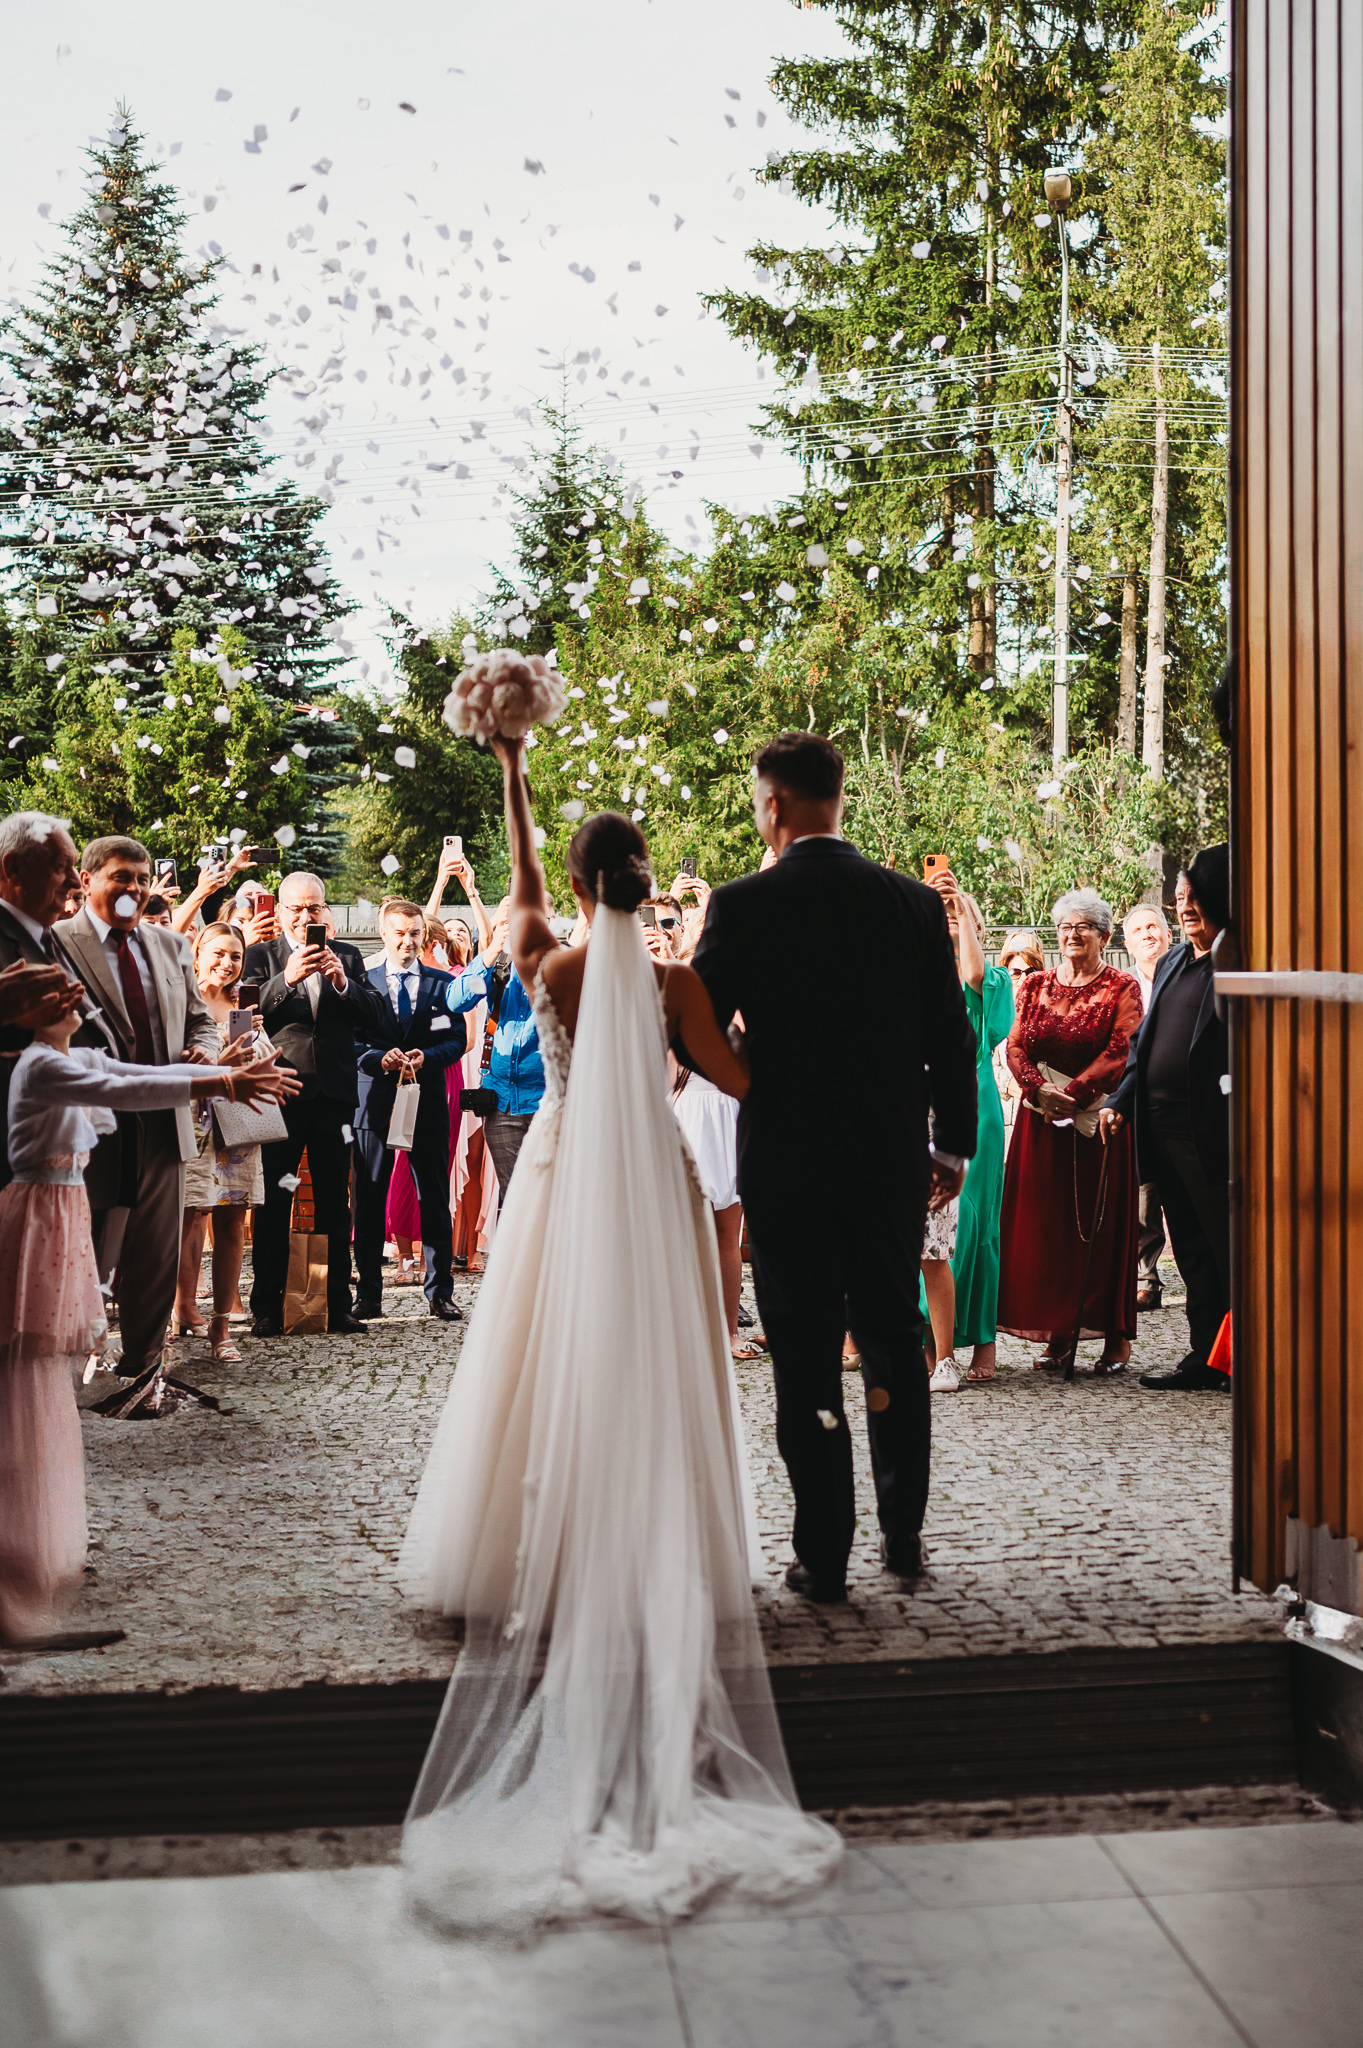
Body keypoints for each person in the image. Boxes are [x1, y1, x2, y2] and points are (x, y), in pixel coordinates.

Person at [400, 736, 841, 1935]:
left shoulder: (545, 963)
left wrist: (512, 766)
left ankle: (529, 1550)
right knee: (655, 1360)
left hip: (559, 1178)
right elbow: (740, 1083)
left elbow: (520, 881)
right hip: (649, 1180)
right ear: (644, 878)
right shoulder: (672, 981)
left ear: (580, 881)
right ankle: (655, 1543)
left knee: (543, 1356)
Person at [689, 733, 978, 1602]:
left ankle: (822, 1553)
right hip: (889, 1157)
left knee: (807, 1353)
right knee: (892, 1336)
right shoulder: (910, 903)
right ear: (838, 797)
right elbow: (950, 1038)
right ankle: (902, 1531)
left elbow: (693, 1028)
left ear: (772, 805)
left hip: (787, 1163)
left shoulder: (742, 905)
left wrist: (750, 1075)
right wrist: (951, 1145)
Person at [0, 1003, 286, 1650]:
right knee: (22, 1388)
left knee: (40, 1388)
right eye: (55, 986)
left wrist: (219, 1074)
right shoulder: (42, 1065)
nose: (73, 992)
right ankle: (15, 1576)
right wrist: (224, 1082)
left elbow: (139, 1075)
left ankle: (26, 1571)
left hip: (56, 1219)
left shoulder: (70, 1054)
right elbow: (124, 1090)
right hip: (36, 1223)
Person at [57, 837, 224, 1379]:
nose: (135, 887)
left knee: (155, 1255)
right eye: (121, 876)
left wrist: (205, 1051)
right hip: (91, 1126)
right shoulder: (56, 943)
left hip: (165, 1121)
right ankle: (67, 1374)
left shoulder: (171, 946)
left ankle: (144, 1370)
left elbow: (200, 1020)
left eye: (142, 879)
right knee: (87, 1254)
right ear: (87, 880)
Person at [997, 889, 1143, 1371]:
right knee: (1048, 1231)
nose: (1072, 934)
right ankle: (1059, 1330)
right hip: (1040, 1123)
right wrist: (1038, 1089)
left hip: (1098, 1121)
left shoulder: (1121, 986)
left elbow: (1123, 1048)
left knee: (1100, 1228)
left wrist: (1075, 1093)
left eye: (1083, 926)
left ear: (1104, 935)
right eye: (1064, 926)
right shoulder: (1035, 984)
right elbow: (1014, 1044)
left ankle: (1114, 1336)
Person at [1103, 847, 1231, 1392]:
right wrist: (1119, 1101)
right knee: (1192, 1248)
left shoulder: (1238, 959)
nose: (1186, 908)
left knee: (1227, 1248)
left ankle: (1241, 1359)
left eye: (1196, 897)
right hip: (1159, 1127)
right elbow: (1144, 1044)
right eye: (1180, 898)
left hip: (1211, 1129)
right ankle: (1204, 1357)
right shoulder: (1175, 961)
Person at [241, 872, 387, 1337]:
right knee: (275, 1200)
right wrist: (287, 979)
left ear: (325, 910)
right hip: (281, 1093)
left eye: (314, 907)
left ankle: (336, 1304)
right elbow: (244, 1016)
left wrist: (343, 983)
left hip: (334, 1096)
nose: (306, 916)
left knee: (334, 1203)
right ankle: (267, 1306)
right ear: (281, 911)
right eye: (297, 908)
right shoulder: (259, 955)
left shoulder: (347, 955)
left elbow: (376, 1014)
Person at [171, 922, 284, 1363]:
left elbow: (265, 1067)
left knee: (234, 1222)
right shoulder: (181, 999)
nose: (227, 963)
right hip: (193, 1123)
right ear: (198, 953)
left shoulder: (242, 1004)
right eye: (218, 953)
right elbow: (172, 1066)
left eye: (235, 956)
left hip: (237, 1125)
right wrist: (221, 1056)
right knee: (189, 1216)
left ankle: (221, 1324)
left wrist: (255, 1039)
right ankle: (180, 1309)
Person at [352, 899, 466, 1324]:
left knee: (433, 1197)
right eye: (399, 933)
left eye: (415, 933)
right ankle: (368, 1295)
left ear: (424, 935)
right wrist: (376, 1059)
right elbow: (350, 1041)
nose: (407, 941)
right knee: (369, 1198)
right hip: (374, 1101)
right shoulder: (362, 982)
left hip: (426, 1099)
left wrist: (428, 1057)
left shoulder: (443, 984)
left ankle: (440, 1292)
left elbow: (456, 1039)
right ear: (383, 933)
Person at [927, 873, 1015, 1387]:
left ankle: (983, 1340)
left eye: (957, 919)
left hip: (974, 1107)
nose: (948, 923)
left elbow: (975, 974)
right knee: (926, 1230)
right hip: (920, 1107)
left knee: (977, 1228)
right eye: (940, 917)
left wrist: (960, 907)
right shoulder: (919, 976)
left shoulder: (993, 979)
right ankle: (932, 1341)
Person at [0, 814, 108, 1190]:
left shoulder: (48, 934)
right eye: (61, 867)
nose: (76, 882)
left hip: (79, 1163)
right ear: (13, 868)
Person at [442, 895, 544, 1208]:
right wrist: (491, 952)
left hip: (551, 1102)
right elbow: (456, 1001)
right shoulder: (497, 964)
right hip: (502, 1102)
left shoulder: (564, 962)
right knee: (515, 1200)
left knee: (555, 1196)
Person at [1121, 902, 1174, 1311]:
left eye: (1153, 926)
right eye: (1138, 930)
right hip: (1138, 1102)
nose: (1147, 934)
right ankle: (1146, 1279)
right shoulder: (1123, 987)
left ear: (1168, 935)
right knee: (1143, 1197)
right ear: (1127, 944)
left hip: (1182, 1102)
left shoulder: (1187, 974)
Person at [995, 931, 1045, 1140]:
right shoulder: (993, 1009)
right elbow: (982, 1061)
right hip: (1004, 1115)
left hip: (1041, 1113)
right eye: (1015, 972)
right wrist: (1008, 1084)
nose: (1023, 978)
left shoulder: (1050, 1011)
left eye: (1031, 970)